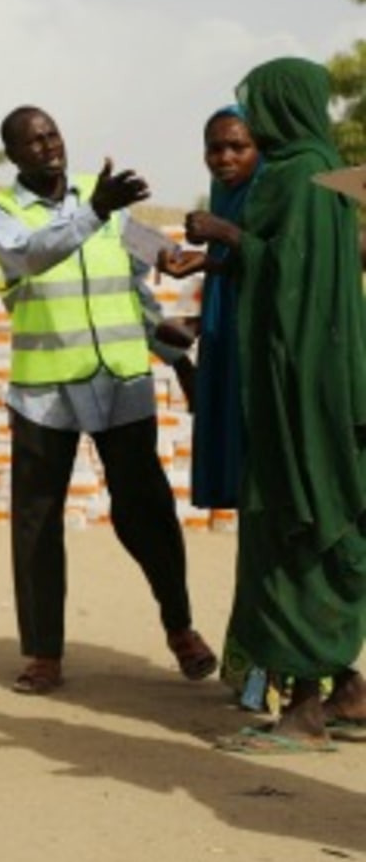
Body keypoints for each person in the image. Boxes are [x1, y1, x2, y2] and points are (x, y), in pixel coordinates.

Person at [0, 107, 216, 696]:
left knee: (148, 511)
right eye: (32, 141)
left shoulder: (99, 196)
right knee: (36, 522)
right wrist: (96, 212)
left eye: (52, 133)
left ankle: (180, 627)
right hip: (45, 390)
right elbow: (32, 255)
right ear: (13, 156)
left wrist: (175, 350)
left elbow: (139, 281)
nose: (48, 145)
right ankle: (43, 654)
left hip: (121, 380)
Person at [205, 59, 366, 754]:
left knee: (292, 525)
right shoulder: (329, 173)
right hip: (332, 383)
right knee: (329, 520)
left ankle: (304, 711)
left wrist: (229, 236)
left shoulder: (293, 177)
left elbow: (286, 279)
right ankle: (347, 695)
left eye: (258, 108)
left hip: (296, 390)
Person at [164, 107, 267, 707]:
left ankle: (312, 680)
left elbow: (286, 273)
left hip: (269, 384)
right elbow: (248, 276)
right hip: (230, 366)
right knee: (254, 535)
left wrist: (222, 241)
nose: (225, 158)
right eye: (214, 149)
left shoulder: (275, 196)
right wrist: (205, 281)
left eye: (238, 147)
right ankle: (256, 672)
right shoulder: (226, 201)